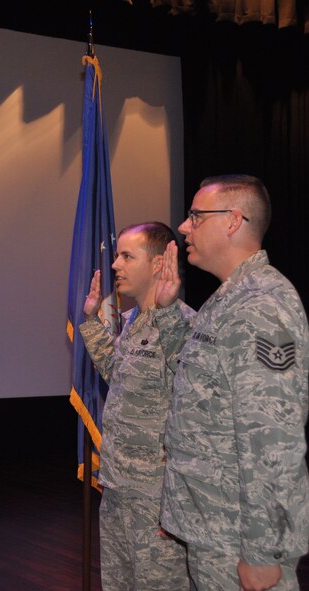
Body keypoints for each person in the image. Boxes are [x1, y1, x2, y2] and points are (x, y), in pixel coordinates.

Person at [157, 174, 309, 591]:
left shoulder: (260, 306)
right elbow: (201, 396)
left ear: (232, 220)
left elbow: (273, 438)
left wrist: (264, 552)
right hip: (214, 528)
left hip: (239, 536)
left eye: (195, 216)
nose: (184, 227)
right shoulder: (227, 300)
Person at [79, 221, 195, 590]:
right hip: (118, 486)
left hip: (155, 498)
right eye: (117, 256)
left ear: (160, 264)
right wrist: (91, 321)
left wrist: (175, 505)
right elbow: (119, 375)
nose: (115, 265)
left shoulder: (183, 327)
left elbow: (194, 408)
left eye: (127, 256)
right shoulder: (131, 321)